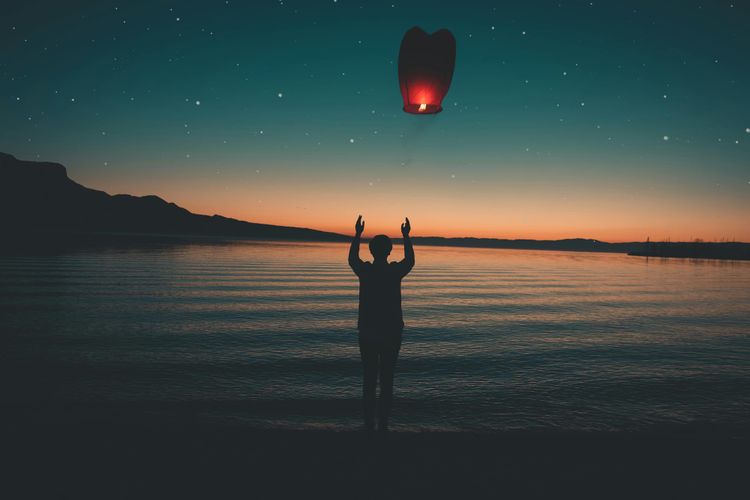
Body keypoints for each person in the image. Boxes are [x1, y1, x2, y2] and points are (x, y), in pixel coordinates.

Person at [348, 215, 415, 432]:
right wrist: (406, 236)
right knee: (387, 379)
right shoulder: (394, 271)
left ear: (372, 251)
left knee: (369, 379)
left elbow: (352, 260)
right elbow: (410, 261)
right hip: (391, 332)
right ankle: (383, 426)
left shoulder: (366, 271)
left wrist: (357, 234)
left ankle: (369, 425)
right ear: (388, 251)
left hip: (368, 332)